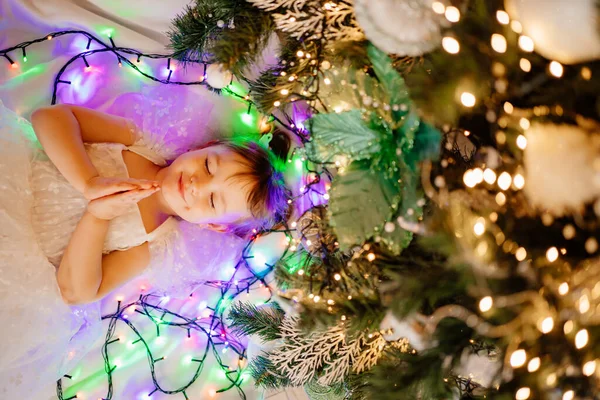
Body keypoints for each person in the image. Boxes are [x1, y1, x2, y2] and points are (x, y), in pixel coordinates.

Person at [0, 86, 291, 398]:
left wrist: (97, 215)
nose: (197, 184)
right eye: (208, 165)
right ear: (205, 146)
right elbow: (50, 118)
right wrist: (89, 182)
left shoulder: (154, 244)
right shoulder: (140, 142)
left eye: (213, 200)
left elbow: (75, 290)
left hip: (17, 259)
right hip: (13, 175)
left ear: (213, 226)